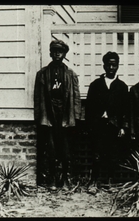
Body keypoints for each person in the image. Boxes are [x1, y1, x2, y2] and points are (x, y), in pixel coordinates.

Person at [34, 39, 81, 191]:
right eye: (54, 51)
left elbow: (76, 97)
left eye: (60, 52)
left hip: (65, 114)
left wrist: (76, 117)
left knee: (66, 148)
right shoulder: (42, 74)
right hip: (49, 113)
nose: (57, 54)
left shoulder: (70, 74)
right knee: (51, 147)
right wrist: (39, 118)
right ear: (50, 53)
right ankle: (52, 179)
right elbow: (37, 98)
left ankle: (66, 179)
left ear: (64, 54)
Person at [85, 51, 129, 193]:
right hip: (98, 125)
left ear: (117, 66)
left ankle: (110, 182)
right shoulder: (95, 85)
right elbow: (89, 108)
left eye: (114, 65)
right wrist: (90, 125)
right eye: (108, 65)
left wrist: (123, 127)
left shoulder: (122, 87)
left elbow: (125, 109)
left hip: (114, 125)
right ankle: (94, 182)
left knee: (112, 154)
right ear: (104, 66)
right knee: (97, 154)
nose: (111, 68)